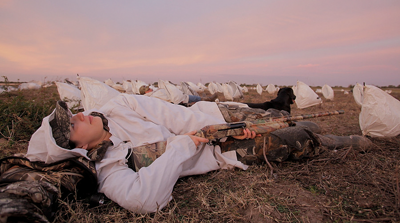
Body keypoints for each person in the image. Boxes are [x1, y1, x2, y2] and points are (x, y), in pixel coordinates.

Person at [17, 94, 371, 215]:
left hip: (213, 119)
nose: (79, 114)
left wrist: (221, 131)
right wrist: (187, 147)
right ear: (77, 146)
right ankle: (329, 140)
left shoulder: (118, 105)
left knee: (276, 117)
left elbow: (176, 116)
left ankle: (309, 126)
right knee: (292, 138)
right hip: (216, 153)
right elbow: (146, 201)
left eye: (73, 112)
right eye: (74, 124)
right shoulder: (109, 170)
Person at [139, 85, 218, 105]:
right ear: (145, 92)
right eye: (148, 89)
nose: (150, 89)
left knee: (195, 99)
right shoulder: (153, 96)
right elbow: (167, 99)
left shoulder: (154, 93)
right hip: (180, 100)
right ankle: (209, 100)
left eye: (148, 88)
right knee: (196, 98)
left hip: (179, 98)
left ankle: (208, 100)